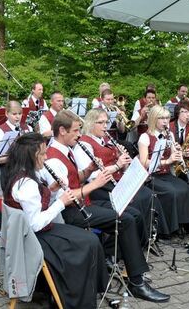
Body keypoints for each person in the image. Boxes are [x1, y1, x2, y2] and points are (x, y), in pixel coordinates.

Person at [45, 110, 169, 303]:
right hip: (72, 213)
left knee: (133, 213)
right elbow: (64, 197)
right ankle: (137, 283)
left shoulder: (64, 149)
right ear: (62, 130)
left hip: (83, 204)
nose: (79, 134)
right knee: (125, 219)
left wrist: (88, 170)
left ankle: (114, 257)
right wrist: (95, 183)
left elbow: (73, 179)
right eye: (76, 130)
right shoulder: (53, 157)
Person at [3, 132, 108, 308]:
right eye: (42, 154)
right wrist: (61, 202)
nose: (46, 157)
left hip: (33, 233)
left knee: (89, 239)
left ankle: (78, 292)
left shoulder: (19, 175)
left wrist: (51, 191)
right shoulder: (26, 184)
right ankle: (75, 299)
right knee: (88, 242)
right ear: (31, 156)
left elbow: (36, 208)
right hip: (33, 239)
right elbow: (35, 223)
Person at [75, 108, 169, 241]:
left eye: (107, 122)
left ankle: (149, 236)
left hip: (115, 181)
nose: (105, 126)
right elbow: (91, 176)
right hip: (99, 187)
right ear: (90, 124)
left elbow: (121, 168)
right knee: (136, 200)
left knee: (147, 194)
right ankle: (136, 239)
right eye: (101, 122)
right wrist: (117, 165)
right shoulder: (84, 144)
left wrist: (124, 164)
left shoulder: (106, 140)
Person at [138, 105, 189, 235]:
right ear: (154, 119)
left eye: (167, 117)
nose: (166, 121)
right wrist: (167, 161)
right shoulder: (145, 137)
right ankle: (172, 228)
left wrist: (178, 153)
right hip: (151, 176)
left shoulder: (169, 134)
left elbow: (173, 157)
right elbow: (144, 162)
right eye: (162, 118)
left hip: (166, 174)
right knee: (172, 193)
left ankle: (185, 225)